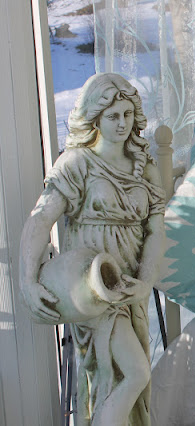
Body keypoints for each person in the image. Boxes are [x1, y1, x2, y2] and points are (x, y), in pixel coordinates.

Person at [19, 73, 165, 425]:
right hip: (92, 284)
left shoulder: (144, 169)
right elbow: (41, 218)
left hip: (129, 286)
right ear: (95, 119)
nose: (122, 123)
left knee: (128, 379)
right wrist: (28, 279)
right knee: (133, 372)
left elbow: (156, 231)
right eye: (112, 116)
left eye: (127, 115)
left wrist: (145, 282)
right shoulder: (78, 163)